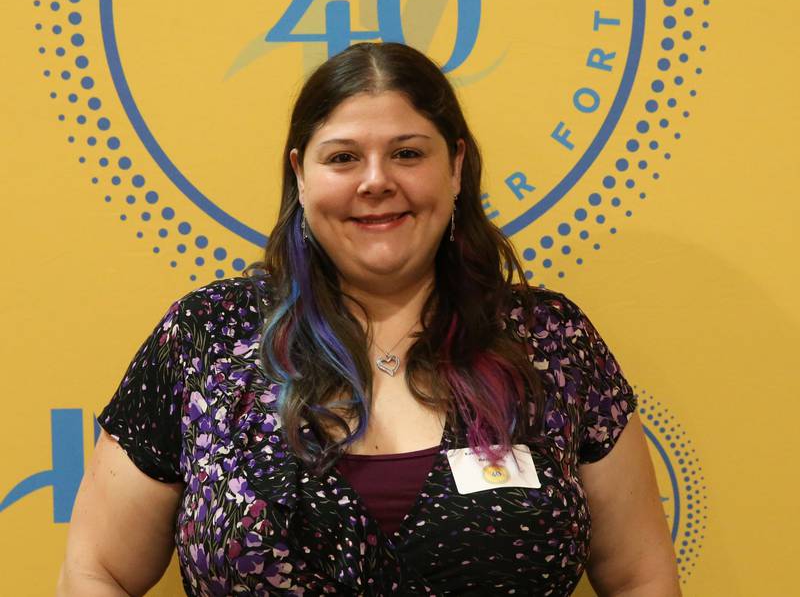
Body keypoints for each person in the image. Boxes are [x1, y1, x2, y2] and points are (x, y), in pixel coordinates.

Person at [57, 42, 680, 596]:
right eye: (344, 158)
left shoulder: (549, 343)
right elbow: (96, 571)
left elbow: (639, 577)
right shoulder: (207, 339)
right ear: (299, 174)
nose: (377, 181)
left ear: (456, 166)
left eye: (407, 153)